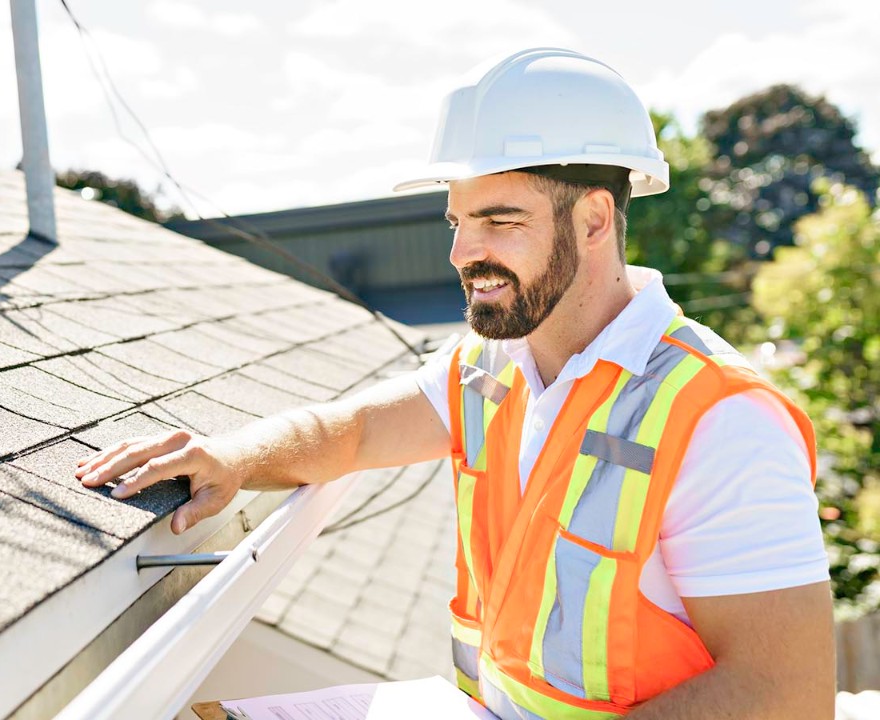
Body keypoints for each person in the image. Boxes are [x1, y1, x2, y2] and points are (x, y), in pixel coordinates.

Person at [76, 48, 834, 718]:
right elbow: (357, 431)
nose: (464, 253)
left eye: (500, 221)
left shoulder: (720, 417)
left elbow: (786, 696)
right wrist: (231, 457)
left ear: (596, 220)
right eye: (456, 222)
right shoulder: (490, 363)